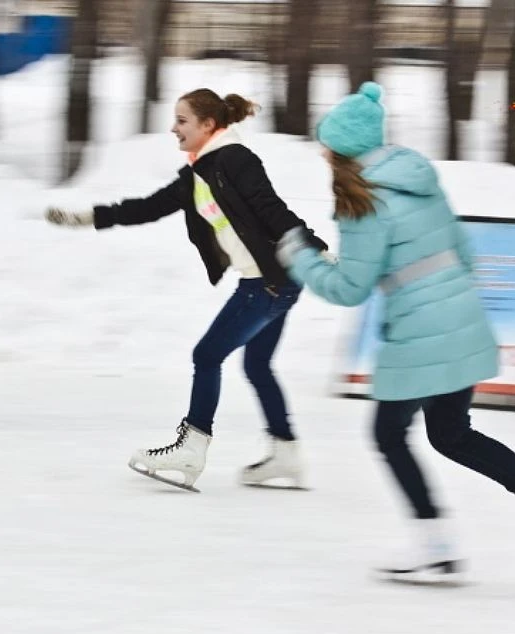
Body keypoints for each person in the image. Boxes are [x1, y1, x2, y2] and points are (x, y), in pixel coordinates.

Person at [275, 82, 515, 582]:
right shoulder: (416, 177)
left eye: (326, 143)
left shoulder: (360, 199)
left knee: (389, 434)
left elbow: (350, 288)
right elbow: (463, 252)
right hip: (461, 317)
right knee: (451, 433)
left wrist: (299, 257)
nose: (321, 152)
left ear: (343, 149)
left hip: (421, 331)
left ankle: (436, 543)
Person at [45, 88, 328, 492]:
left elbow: (270, 208)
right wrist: (88, 217)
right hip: (270, 282)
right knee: (256, 365)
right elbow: (147, 207)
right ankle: (286, 453)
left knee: (207, 354)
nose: (173, 129)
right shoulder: (198, 174)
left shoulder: (235, 160)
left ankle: (191, 449)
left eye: (182, 121)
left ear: (208, 125)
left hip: (267, 282)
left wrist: (314, 248)